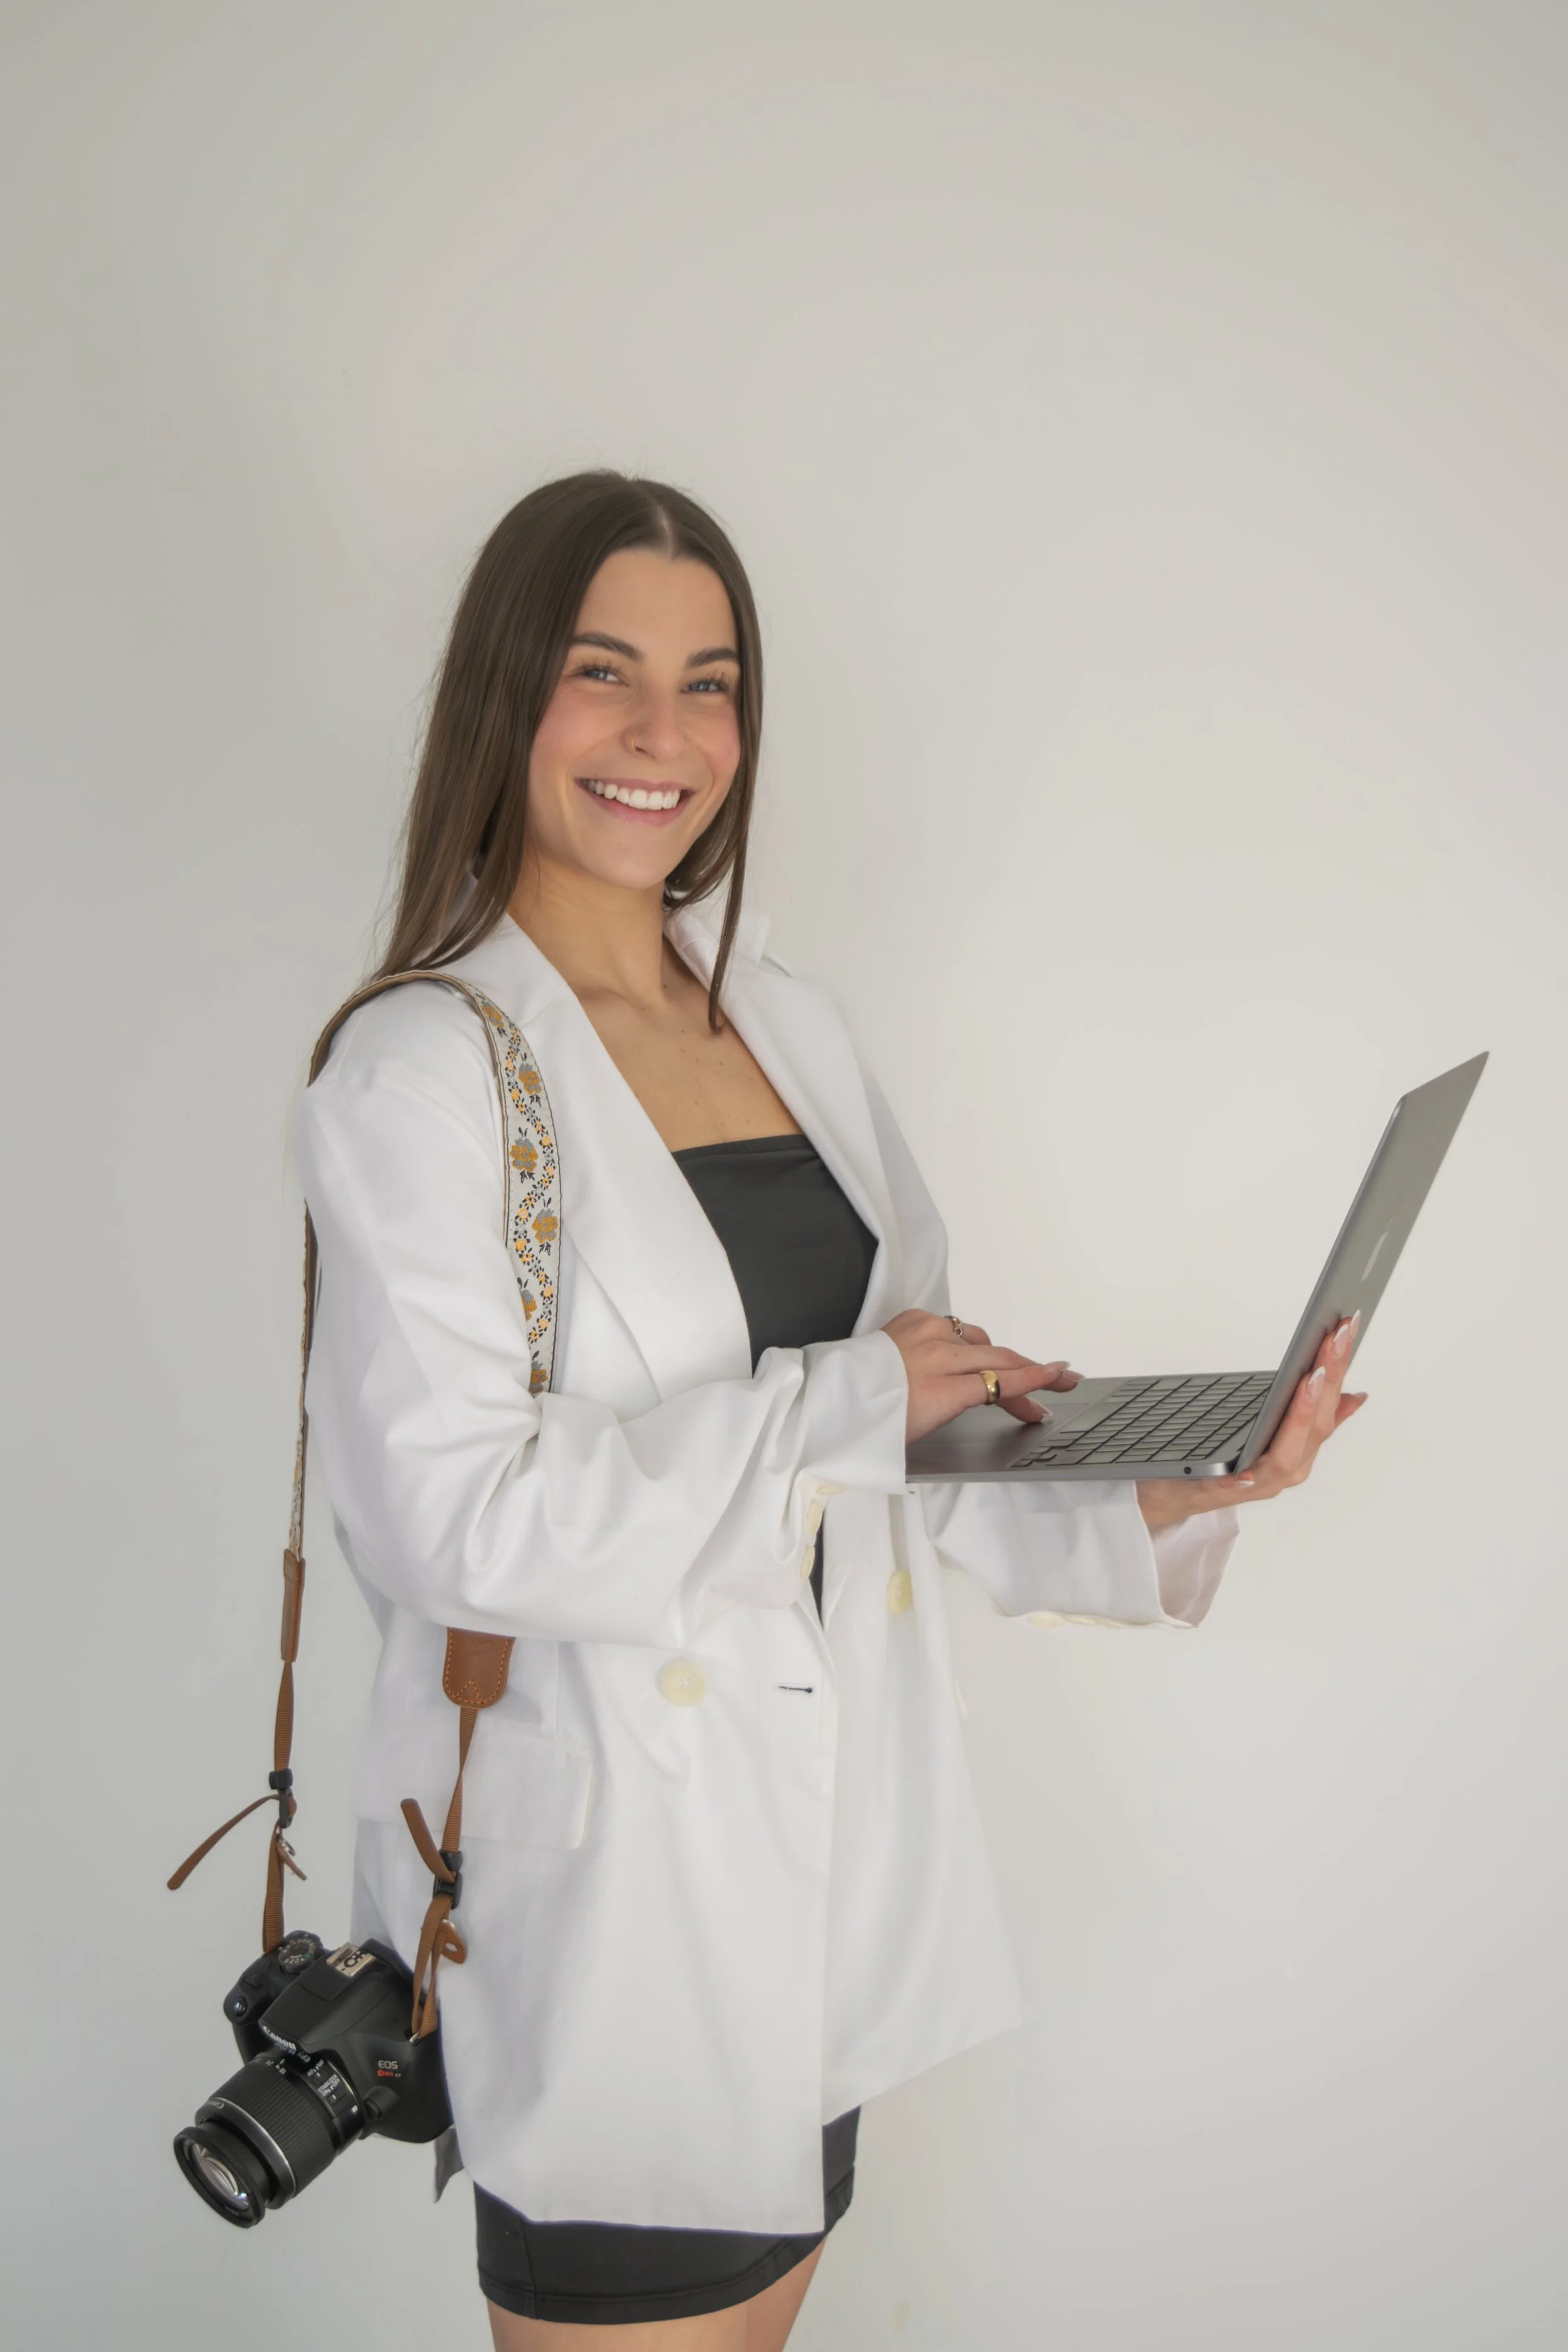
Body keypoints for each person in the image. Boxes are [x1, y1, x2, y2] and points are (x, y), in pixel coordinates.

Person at [294, 472, 1364, 2349]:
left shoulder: (786, 1020)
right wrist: (846, 1400)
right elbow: (455, 1521)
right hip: (623, 1912)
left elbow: (896, 1455)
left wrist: (1171, 1484)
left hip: (816, 1882)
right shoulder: (424, 1068)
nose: (664, 733)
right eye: (603, 670)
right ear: (505, 697)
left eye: (708, 683)